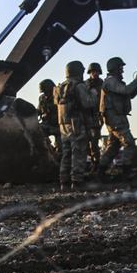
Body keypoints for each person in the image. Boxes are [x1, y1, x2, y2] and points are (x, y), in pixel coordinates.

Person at [98, 56, 137, 177]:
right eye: (120, 68)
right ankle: (126, 173)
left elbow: (129, 94)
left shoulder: (115, 81)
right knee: (129, 143)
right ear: (114, 68)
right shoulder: (110, 81)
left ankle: (100, 173)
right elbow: (125, 90)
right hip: (115, 118)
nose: (122, 70)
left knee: (113, 147)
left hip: (116, 118)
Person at [55, 61, 96, 190]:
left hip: (63, 125)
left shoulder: (60, 87)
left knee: (66, 153)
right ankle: (77, 181)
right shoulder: (79, 86)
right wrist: (94, 94)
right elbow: (88, 103)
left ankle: (64, 182)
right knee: (78, 151)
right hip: (76, 124)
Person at [84, 63, 104, 172]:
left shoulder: (103, 84)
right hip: (86, 116)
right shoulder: (85, 85)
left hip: (97, 116)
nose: (94, 74)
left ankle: (96, 163)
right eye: (92, 72)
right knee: (86, 141)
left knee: (94, 141)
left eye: (96, 72)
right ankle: (92, 161)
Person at [37, 79, 59, 153]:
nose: (45, 94)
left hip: (58, 125)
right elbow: (38, 110)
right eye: (44, 92)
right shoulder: (42, 98)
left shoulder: (58, 96)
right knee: (37, 131)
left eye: (46, 92)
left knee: (60, 148)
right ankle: (48, 148)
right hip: (47, 124)